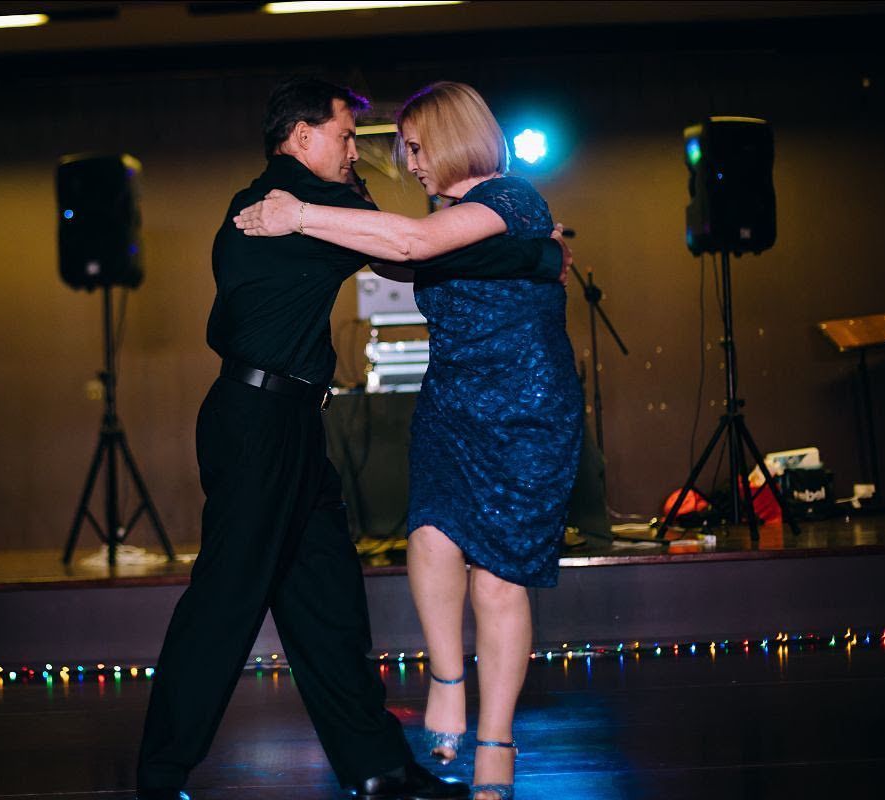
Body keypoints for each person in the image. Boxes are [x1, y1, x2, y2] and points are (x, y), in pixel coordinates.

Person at [136, 78, 571, 800]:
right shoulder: (280, 205)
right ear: (302, 137)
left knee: (327, 603)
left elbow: (415, 256)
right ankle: (161, 772)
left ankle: (377, 769)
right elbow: (414, 249)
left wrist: (528, 254)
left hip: (291, 423)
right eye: (344, 136)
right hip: (255, 423)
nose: (356, 153)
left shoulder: (303, 207)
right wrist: (537, 258)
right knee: (227, 598)